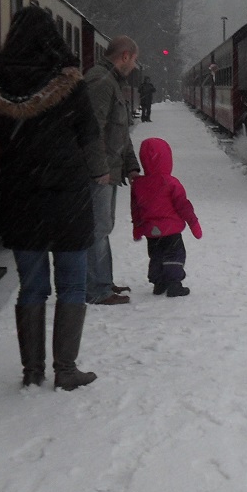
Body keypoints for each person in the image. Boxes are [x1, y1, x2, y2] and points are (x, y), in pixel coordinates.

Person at [0, 6, 108, 390]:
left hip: (21, 198)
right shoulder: (69, 84)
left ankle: (32, 372)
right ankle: (65, 370)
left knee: (32, 287)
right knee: (72, 285)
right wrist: (101, 174)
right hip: (67, 198)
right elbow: (89, 136)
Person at [85, 36, 142, 306]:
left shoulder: (111, 81)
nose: (135, 65)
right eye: (134, 59)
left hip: (110, 168)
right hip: (101, 171)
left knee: (104, 227)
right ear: (125, 56)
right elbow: (92, 129)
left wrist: (131, 164)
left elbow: (120, 130)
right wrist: (99, 169)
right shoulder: (100, 82)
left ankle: (103, 282)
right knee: (97, 229)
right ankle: (96, 289)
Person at [131, 137, 203, 297]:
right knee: (174, 255)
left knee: (156, 255)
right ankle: (174, 284)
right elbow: (184, 206)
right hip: (171, 230)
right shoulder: (171, 182)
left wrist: (137, 228)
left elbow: (135, 209)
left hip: (151, 231)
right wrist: (194, 225)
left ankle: (158, 283)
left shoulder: (138, 184)